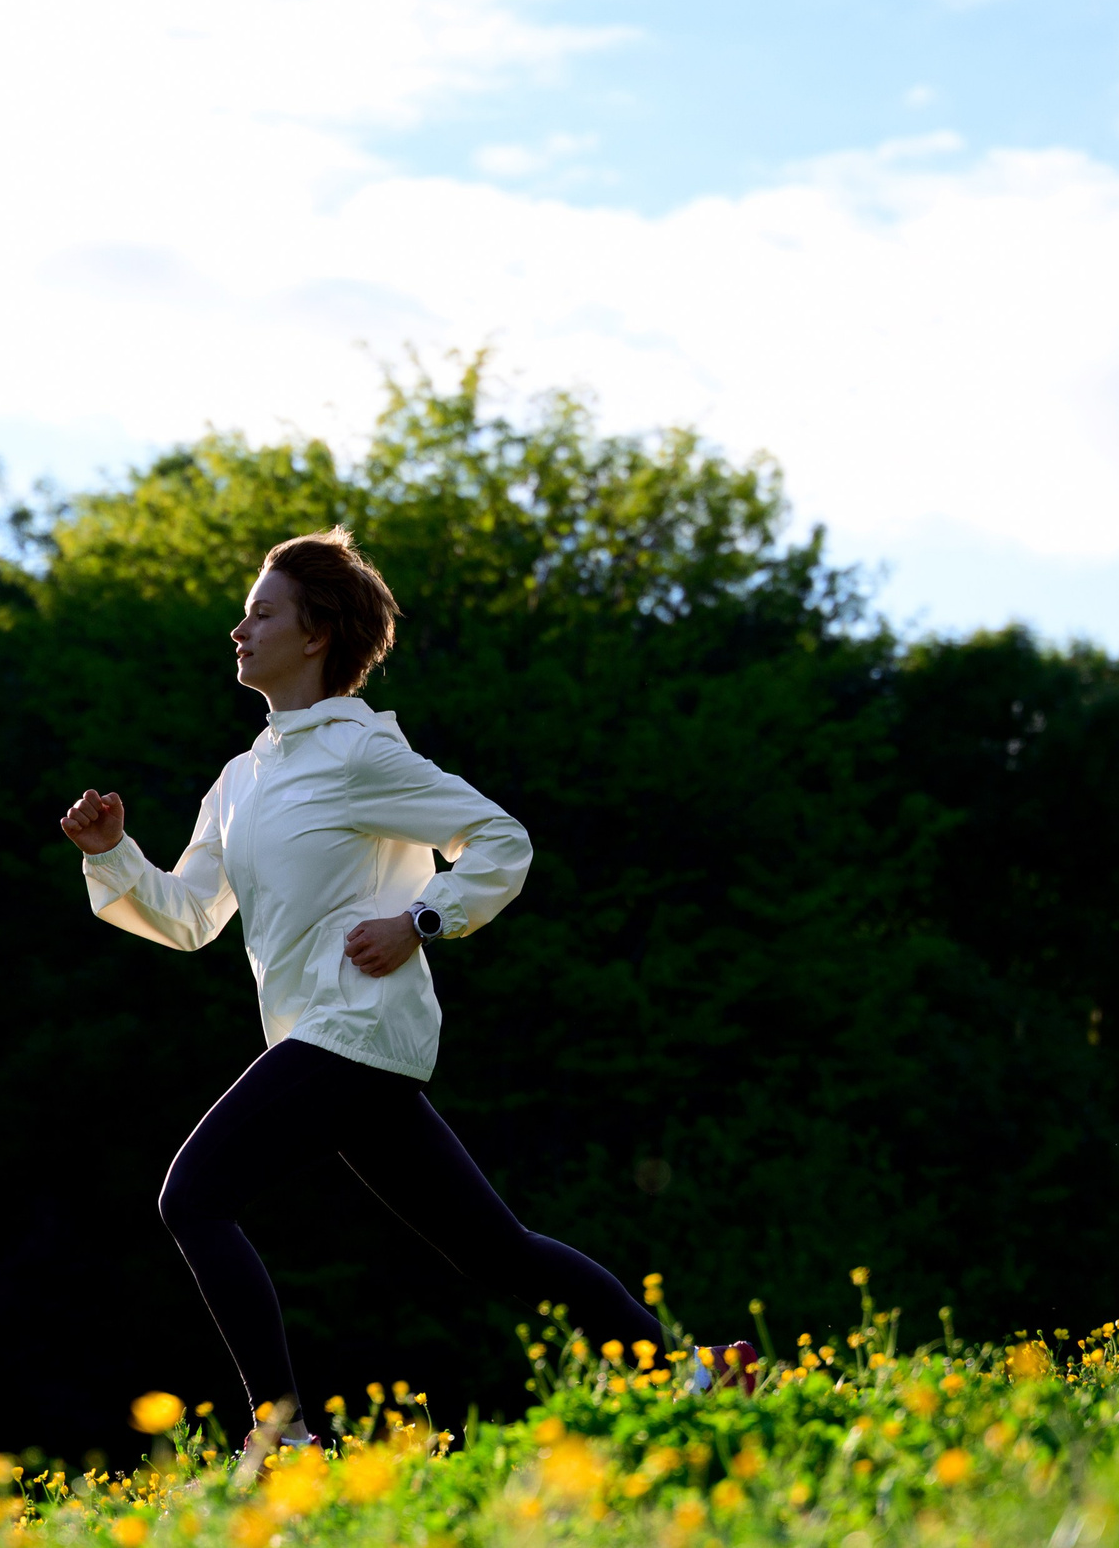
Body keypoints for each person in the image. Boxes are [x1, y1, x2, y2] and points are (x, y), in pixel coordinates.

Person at [59, 527, 729, 1451]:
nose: (238, 629)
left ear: (318, 632)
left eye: (262, 613)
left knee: (193, 1196)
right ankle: (692, 1374)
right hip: (327, 1044)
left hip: (355, 1031)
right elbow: (189, 916)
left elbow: (499, 837)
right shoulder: (241, 779)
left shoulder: (360, 755)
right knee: (500, 1253)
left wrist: (422, 920)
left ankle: (283, 1440)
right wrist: (113, 855)